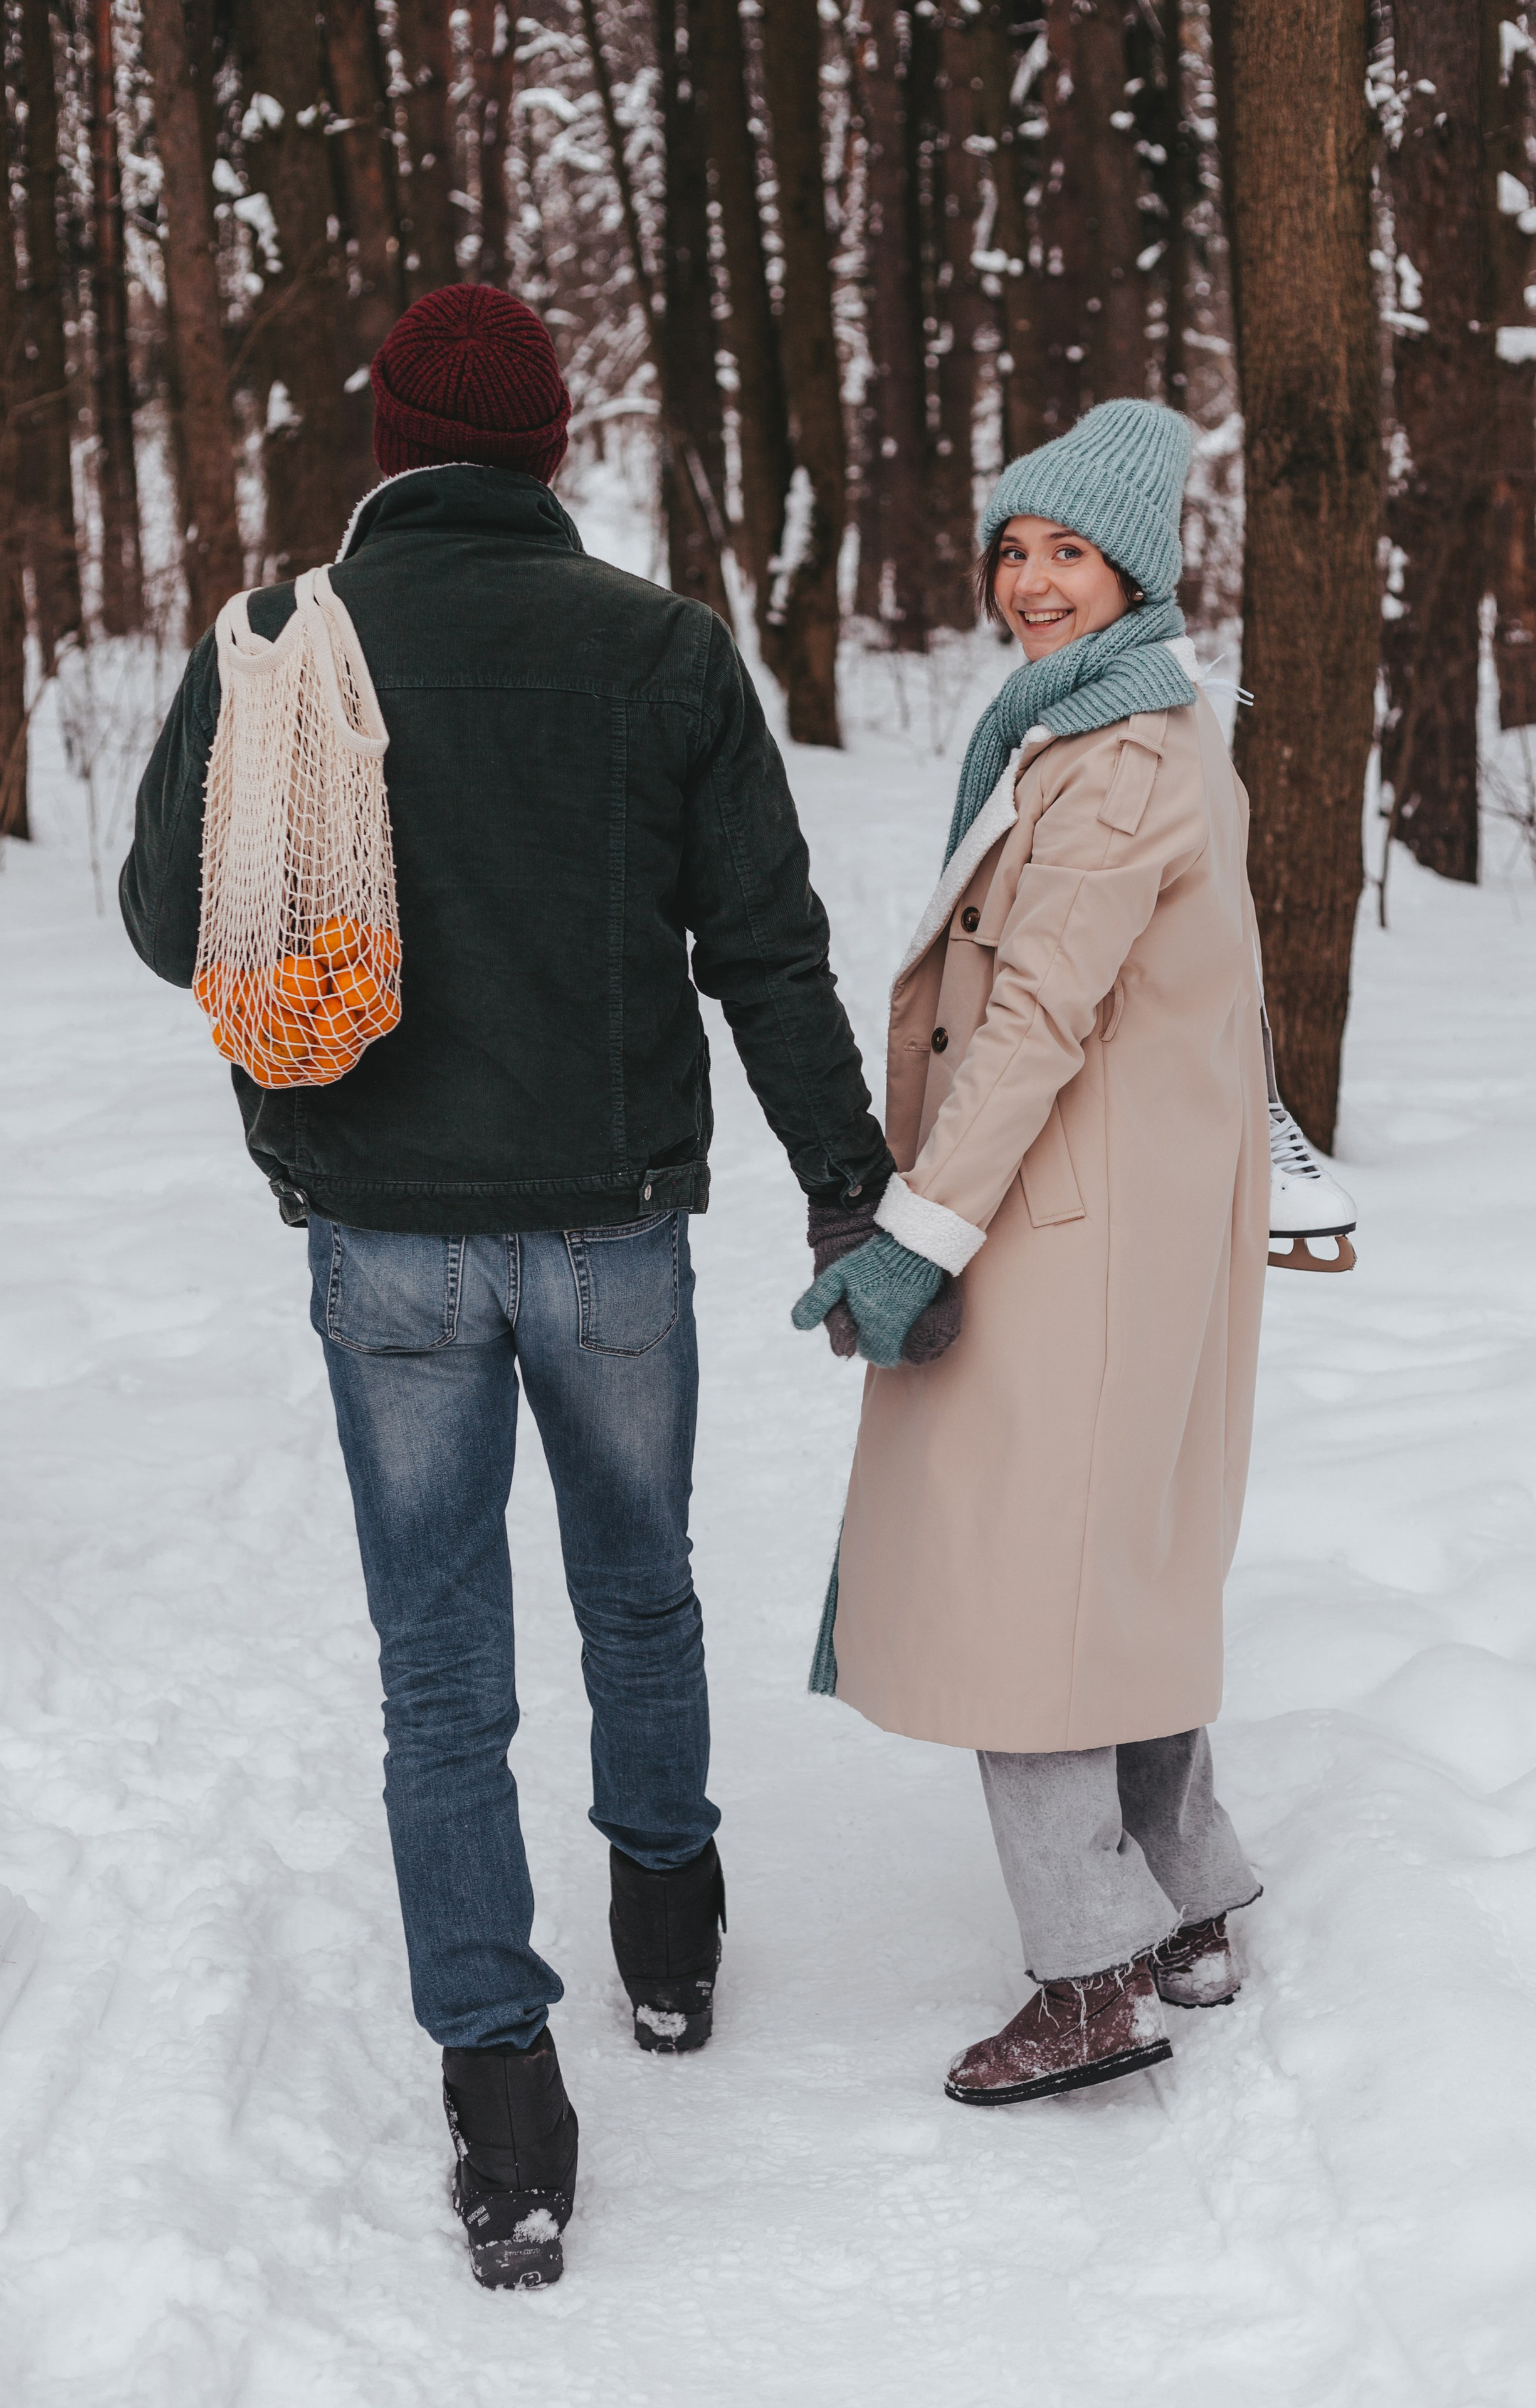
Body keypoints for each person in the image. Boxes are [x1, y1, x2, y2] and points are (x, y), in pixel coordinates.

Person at [120, 283, 895, 2285]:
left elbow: (161, 920)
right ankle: (666, 1926)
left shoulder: (283, 650)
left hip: (382, 1229)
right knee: (639, 1576)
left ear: (386, 445)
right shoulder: (660, 650)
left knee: (437, 1661)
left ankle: (501, 2087)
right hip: (613, 1220)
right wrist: (843, 1184)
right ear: (555, 449)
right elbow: (771, 955)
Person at [793, 399, 1268, 2106]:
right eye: (1015, 547)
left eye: (1069, 551)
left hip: (1067, 1217)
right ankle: (1193, 1900)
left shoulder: (1121, 750)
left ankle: (1088, 1978)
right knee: (1110, 1567)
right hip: (1118, 1210)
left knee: (1029, 1593)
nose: (1032, 582)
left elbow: (1040, 1016)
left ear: (1136, 565)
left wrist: (918, 1236)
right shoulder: (1114, 722)